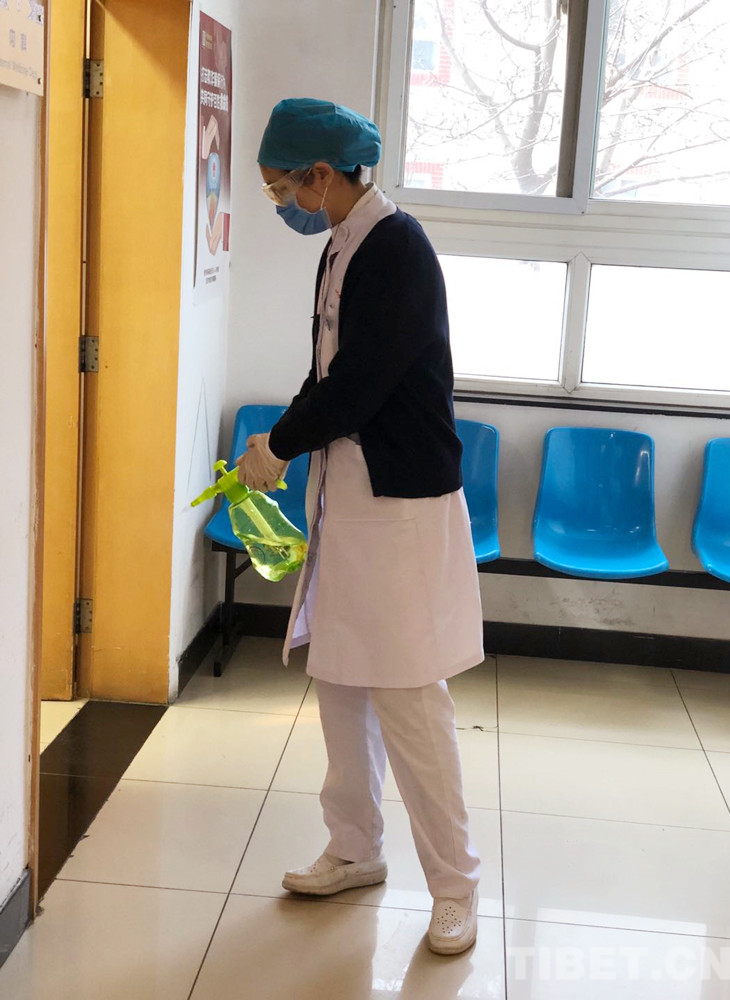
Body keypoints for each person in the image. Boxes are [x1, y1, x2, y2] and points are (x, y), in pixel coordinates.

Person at [237, 97, 484, 956]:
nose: (284, 204)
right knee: (340, 675)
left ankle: (455, 886)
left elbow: (362, 384)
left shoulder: (396, 247)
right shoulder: (342, 243)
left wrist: (282, 442)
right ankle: (354, 847)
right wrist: (278, 441)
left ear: (322, 173)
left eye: (284, 187)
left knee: (408, 693)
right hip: (348, 494)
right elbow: (325, 373)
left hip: (400, 503)